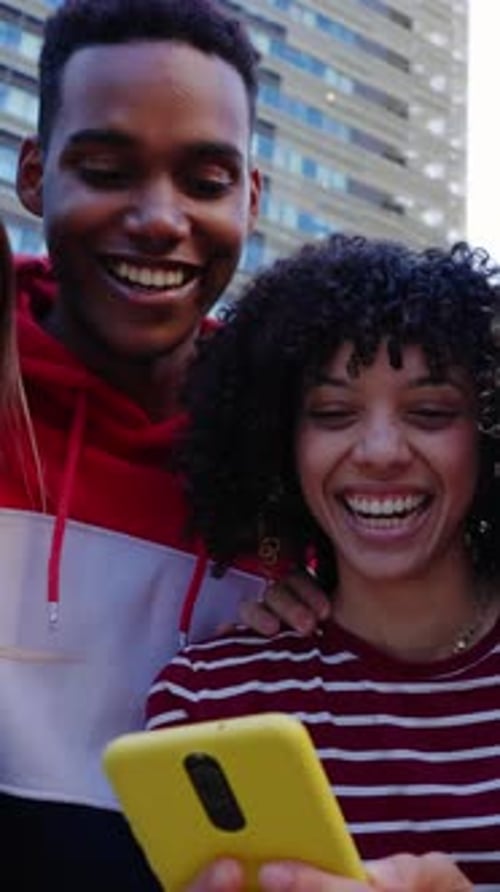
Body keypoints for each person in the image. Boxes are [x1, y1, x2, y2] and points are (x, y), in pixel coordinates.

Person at [0, 0, 323, 886]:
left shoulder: (315, 460)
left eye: (206, 182)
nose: (158, 218)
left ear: (252, 198)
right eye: (106, 168)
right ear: (34, 175)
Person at [146, 234, 500, 890]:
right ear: (281, 442)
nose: (380, 450)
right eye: (334, 413)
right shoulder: (210, 701)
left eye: (429, 412)